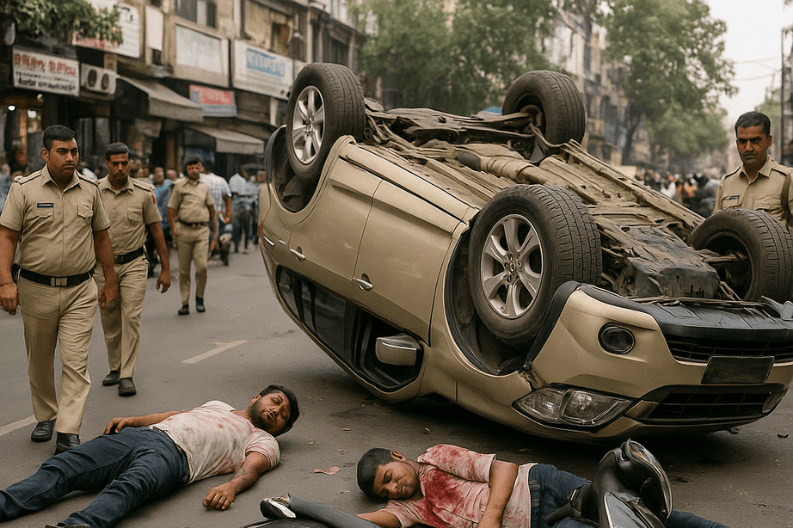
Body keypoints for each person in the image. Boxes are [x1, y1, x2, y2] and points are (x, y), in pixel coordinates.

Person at [0, 385, 300, 528]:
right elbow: (177, 415)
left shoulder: (264, 439)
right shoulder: (218, 404)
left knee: (131, 485)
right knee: (63, 466)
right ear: (257, 397)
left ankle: (80, 526)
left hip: (176, 458)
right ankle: (5, 504)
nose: (276, 411)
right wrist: (134, 419)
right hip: (142, 435)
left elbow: (253, 468)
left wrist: (229, 488)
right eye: (275, 402)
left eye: (282, 415)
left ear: (280, 429)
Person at [0, 125, 119, 455]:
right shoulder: (23, 189)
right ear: (45, 154)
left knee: (76, 361)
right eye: (63, 152)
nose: (71, 157)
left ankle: (68, 430)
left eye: (75, 151)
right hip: (35, 287)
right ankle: (46, 415)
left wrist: (110, 281)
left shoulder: (91, 190)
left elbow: (102, 238)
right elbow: (7, 236)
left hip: (81, 288)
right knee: (39, 359)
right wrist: (5, 282)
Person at [356, 444, 727, 528]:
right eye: (384, 491)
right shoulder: (410, 509)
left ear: (398, 456)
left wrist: (490, 520)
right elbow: (374, 520)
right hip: (539, 523)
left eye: (389, 477)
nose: (393, 489)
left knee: (633, 511)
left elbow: (503, 468)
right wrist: (303, 508)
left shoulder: (434, 459)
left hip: (540, 485)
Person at [95, 143, 171, 397]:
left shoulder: (143, 192)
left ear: (130, 164)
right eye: (115, 163)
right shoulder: (93, 191)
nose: (120, 168)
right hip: (103, 267)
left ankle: (127, 374)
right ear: (106, 164)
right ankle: (115, 367)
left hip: (134, 264)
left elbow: (156, 230)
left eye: (124, 163)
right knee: (109, 316)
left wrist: (166, 269)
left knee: (131, 317)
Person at [714, 111, 793, 232]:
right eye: (743, 141)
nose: (748, 148)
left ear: (769, 141)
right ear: (737, 143)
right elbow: (715, 229)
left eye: (755, 140)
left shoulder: (787, 179)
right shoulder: (726, 183)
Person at [167, 156, 217, 315]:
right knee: (184, 270)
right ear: (186, 170)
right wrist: (173, 227)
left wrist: (215, 233)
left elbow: (212, 210)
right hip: (184, 231)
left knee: (202, 267)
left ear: (201, 168)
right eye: (191, 168)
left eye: (197, 167)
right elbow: (171, 208)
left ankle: (200, 298)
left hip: (202, 231)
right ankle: (185, 302)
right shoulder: (179, 186)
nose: (194, 170)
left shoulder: (205, 188)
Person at [200, 160, 233, 265]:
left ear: (202, 168)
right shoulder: (221, 180)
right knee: (220, 234)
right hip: (219, 214)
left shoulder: (198, 181)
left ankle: (207, 253)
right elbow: (228, 198)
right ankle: (224, 249)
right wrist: (229, 215)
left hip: (203, 214)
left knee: (205, 234)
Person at [147, 166, 173, 277]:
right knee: (151, 243)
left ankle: (164, 265)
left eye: (161, 173)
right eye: (157, 173)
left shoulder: (170, 185)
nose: (159, 175)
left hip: (167, 221)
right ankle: (151, 264)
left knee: (166, 243)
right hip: (154, 221)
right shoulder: (151, 188)